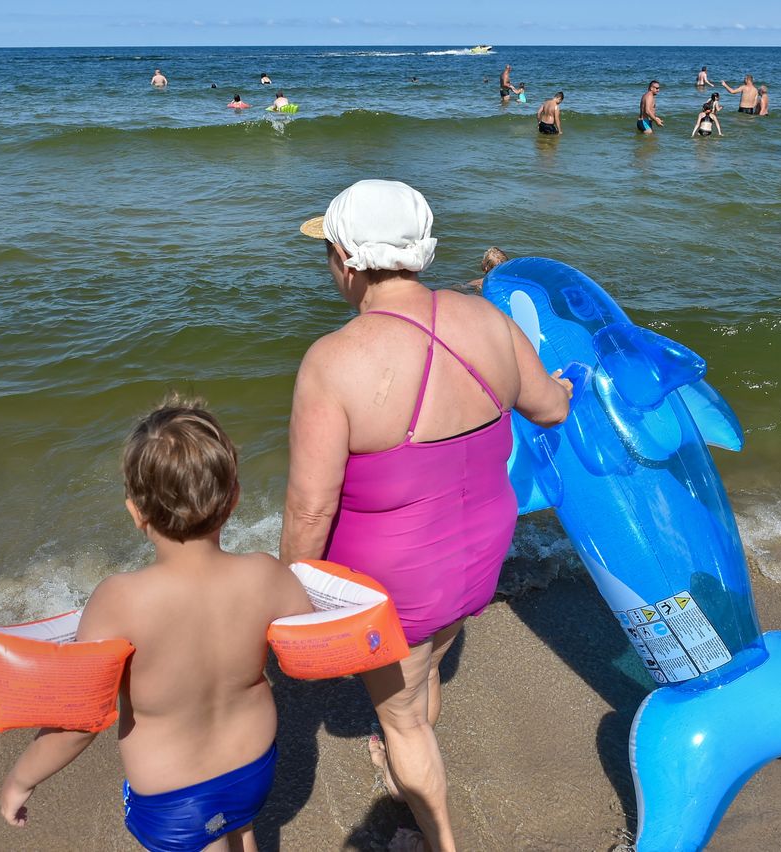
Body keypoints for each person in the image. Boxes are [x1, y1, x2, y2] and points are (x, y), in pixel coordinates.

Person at [283, 179, 572, 852]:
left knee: (404, 718)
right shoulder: (491, 324)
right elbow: (552, 408)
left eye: (327, 251)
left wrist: (290, 600)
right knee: (423, 675)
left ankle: (435, 833)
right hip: (479, 553)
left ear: (347, 261)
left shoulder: (334, 361)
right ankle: (411, 753)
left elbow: (311, 506)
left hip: (398, 583)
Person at [0, 398, 312, 851]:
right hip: (253, 769)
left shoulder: (119, 599)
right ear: (234, 498)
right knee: (241, 834)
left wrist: (20, 778)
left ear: (135, 512)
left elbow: (82, 722)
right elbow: (310, 638)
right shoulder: (264, 574)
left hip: (175, 797)